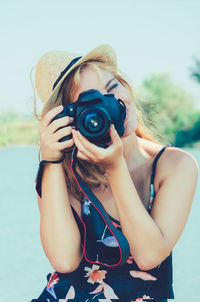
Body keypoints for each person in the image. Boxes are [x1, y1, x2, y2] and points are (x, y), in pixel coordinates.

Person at [30, 44, 199, 302]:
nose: (112, 103)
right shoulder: (62, 173)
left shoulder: (175, 165)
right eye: (90, 103)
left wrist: (115, 167)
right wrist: (51, 160)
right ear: (69, 120)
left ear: (126, 84)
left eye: (112, 88)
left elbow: (149, 255)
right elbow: (64, 260)